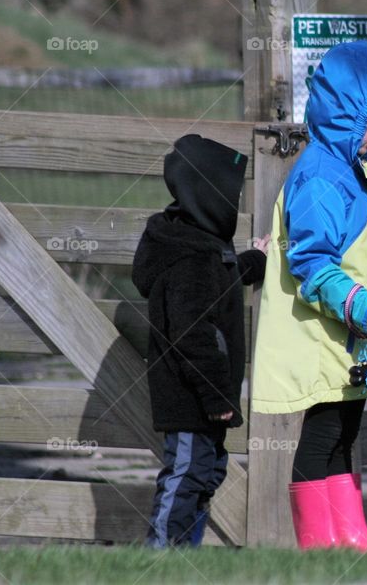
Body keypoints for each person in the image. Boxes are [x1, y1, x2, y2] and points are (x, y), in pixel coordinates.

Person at [251, 41, 367, 552]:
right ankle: (317, 545)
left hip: (350, 343)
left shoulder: (351, 171)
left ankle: (351, 535)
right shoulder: (322, 178)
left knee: (346, 433)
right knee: (321, 438)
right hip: (323, 339)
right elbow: (310, 260)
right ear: (343, 114)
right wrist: (357, 305)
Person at [133, 135, 268, 547]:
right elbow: (191, 333)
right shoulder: (190, 257)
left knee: (206, 473)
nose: (234, 204)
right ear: (207, 196)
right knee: (186, 474)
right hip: (192, 397)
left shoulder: (197, 243)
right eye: (231, 196)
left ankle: (184, 555)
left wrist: (254, 261)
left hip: (204, 396)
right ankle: (160, 558)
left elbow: (220, 280)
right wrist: (215, 396)